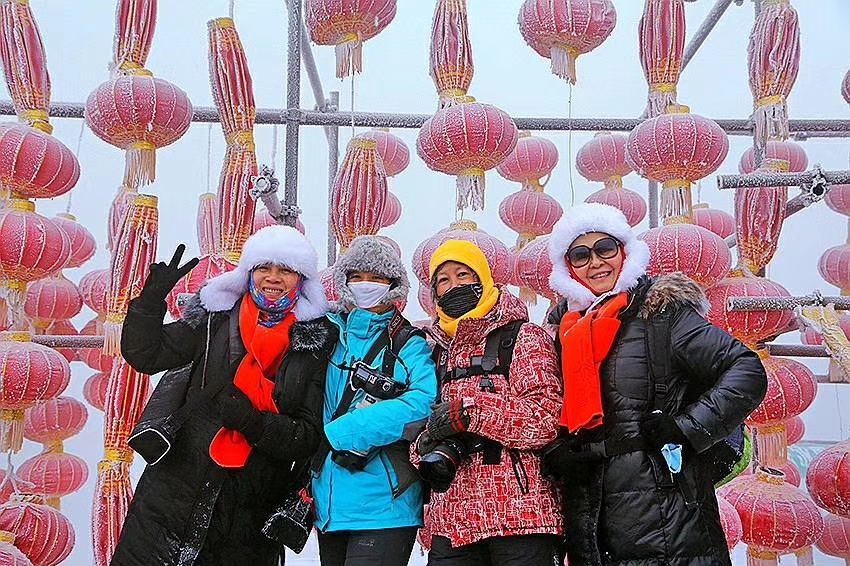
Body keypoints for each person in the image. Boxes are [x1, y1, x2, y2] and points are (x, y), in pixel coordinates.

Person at [543, 203, 768, 565]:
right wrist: (559, 451)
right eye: (581, 255)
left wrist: (684, 427)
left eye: (606, 249)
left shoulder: (660, 314)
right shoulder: (564, 332)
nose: (596, 263)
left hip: (667, 510)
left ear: (625, 252)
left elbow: (745, 369)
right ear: (568, 266)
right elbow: (550, 406)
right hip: (592, 513)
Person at [113, 225, 336, 566]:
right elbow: (147, 354)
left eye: (286, 269)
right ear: (249, 273)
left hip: (248, 512)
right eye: (264, 268)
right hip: (174, 495)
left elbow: (307, 437)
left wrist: (255, 423)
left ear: (302, 278)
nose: (273, 278)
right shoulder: (215, 319)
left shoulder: (316, 344)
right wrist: (149, 303)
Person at [415, 239, 564, 566]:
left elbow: (545, 419)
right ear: (435, 294)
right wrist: (425, 443)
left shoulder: (522, 336)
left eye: (463, 275)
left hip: (520, 517)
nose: (453, 285)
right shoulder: (435, 352)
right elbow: (419, 431)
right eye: (443, 280)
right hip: (452, 520)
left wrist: (470, 413)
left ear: (483, 279)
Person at [311, 236, 437, 566]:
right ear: (345, 282)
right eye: (357, 276)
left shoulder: (407, 342)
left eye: (377, 278)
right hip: (329, 502)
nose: (366, 285)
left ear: (393, 285)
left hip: (385, 504)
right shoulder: (327, 336)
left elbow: (423, 403)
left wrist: (348, 430)